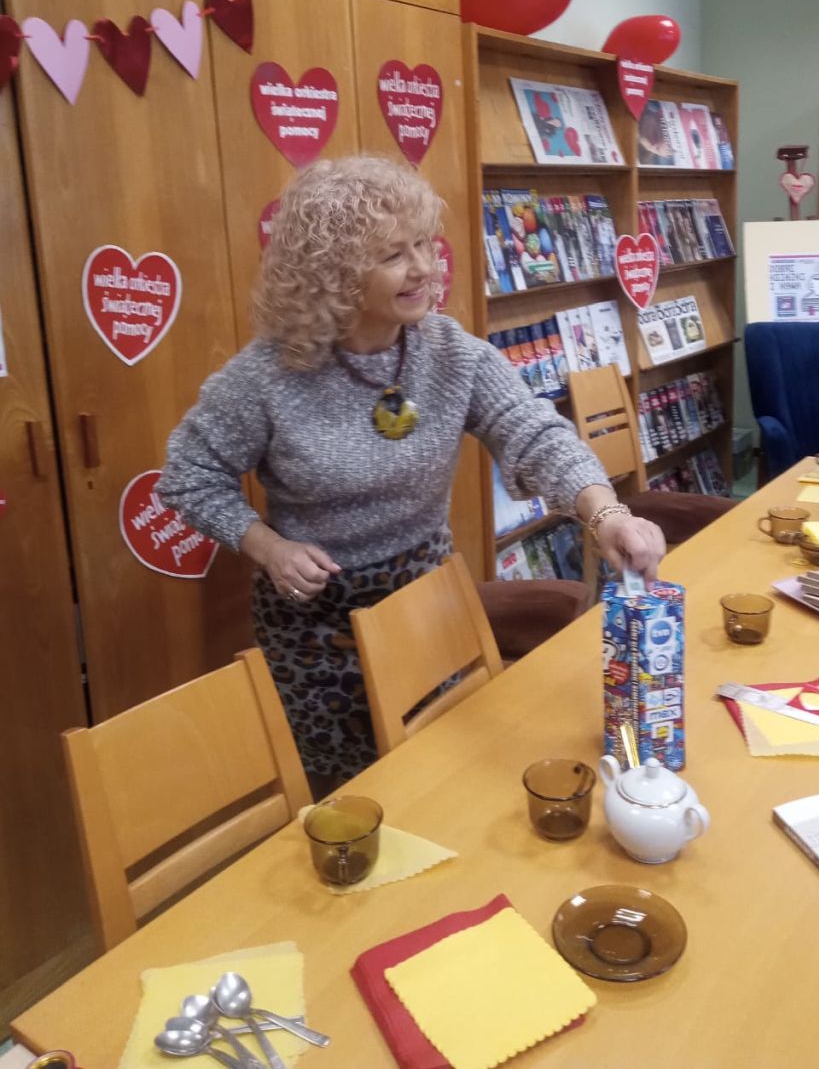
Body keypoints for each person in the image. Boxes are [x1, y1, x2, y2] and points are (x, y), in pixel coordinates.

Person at [159, 156, 666, 791]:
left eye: (425, 242)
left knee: (446, 779)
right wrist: (268, 546)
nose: (425, 267)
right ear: (334, 275)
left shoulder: (450, 352)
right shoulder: (264, 378)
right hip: (319, 633)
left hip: (429, 607)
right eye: (395, 254)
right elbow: (187, 476)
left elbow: (532, 431)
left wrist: (606, 514)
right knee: (357, 800)